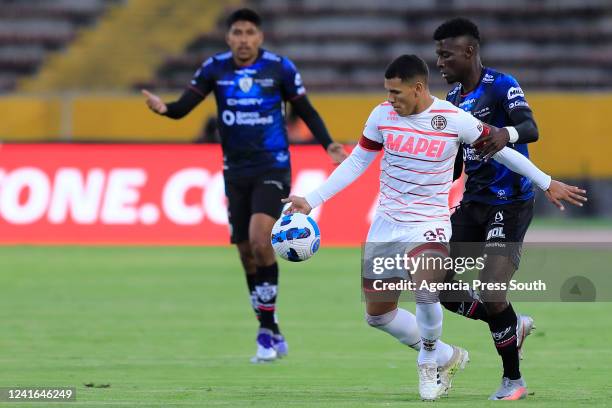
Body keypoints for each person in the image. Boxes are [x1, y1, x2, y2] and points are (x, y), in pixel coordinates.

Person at [282, 54, 585, 401]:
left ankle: (429, 363)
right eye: (387, 91)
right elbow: (357, 163)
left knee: (427, 288)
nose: (390, 99)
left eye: (396, 92)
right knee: (379, 316)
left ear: (418, 88)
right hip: (386, 225)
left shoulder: (453, 119)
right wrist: (312, 198)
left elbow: (503, 152)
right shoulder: (382, 116)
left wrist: (546, 182)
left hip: (430, 224)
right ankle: (446, 355)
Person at [142, 8, 348, 363]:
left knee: (259, 239)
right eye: (237, 32)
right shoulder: (214, 68)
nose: (243, 39)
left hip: (273, 166)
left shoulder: (280, 68)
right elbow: (183, 108)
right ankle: (271, 326)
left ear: (260, 37)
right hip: (234, 171)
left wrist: (328, 143)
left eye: (249, 32)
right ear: (228, 37)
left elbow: (307, 110)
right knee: (244, 253)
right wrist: (164, 109)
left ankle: (265, 335)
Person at [433, 17, 587, 399]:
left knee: (491, 291)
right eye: (437, 55)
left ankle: (513, 380)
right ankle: (511, 326)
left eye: (445, 54)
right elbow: (457, 161)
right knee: (434, 282)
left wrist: (507, 134)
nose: (439, 63)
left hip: (511, 203)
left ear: (469, 52)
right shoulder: (452, 101)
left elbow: (530, 127)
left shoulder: (502, 85)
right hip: (473, 204)